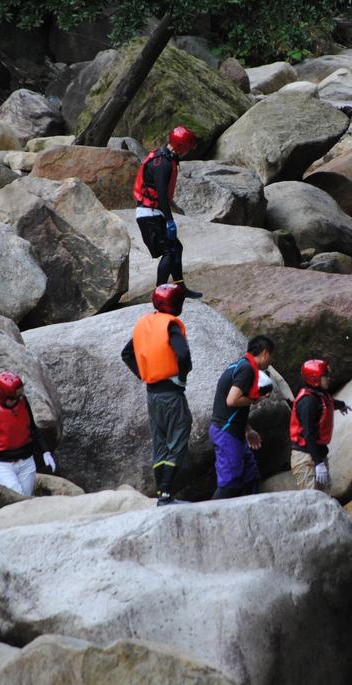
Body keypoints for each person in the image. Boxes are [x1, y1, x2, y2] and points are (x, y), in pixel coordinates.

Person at [121, 284, 193, 505]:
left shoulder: (145, 324)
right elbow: (182, 354)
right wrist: (182, 376)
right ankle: (166, 493)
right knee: (178, 439)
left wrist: (145, 374)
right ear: (174, 304)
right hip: (171, 394)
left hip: (152, 395)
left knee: (160, 442)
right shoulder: (170, 325)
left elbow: (126, 354)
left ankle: (163, 494)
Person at [133, 125, 202, 299]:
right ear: (181, 147)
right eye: (187, 148)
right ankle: (160, 293)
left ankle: (181, 288)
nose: (188, 152)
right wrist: (170, 220)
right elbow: (162, 196)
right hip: (149, 214)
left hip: (154, 213)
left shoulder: (166, 157)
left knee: (176, 247)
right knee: (169, 252)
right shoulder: (162, 163)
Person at [209, 335, 276, 499]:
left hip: (236, 432)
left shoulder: (242, 366)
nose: (271, 361)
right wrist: (256, 399)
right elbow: (232, 400)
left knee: (250, 475)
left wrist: (248, 430)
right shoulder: (246, 369)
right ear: (265, 353)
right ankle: (208, 516)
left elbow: (234, 406)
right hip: (226, 432)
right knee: (230, 481)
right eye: (272, 356)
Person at [288, 359, 350, 491]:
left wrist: (341, 405)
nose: (328, 378)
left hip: (317, 453)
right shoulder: (308, 402)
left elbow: (327, 403)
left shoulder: (318, 395)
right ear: (314, 378)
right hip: (305, 457)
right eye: (325, 376)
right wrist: (318, 463)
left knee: (325, 496)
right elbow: (308, 434)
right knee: (311, 500)